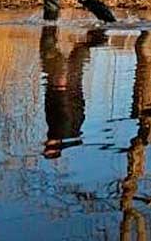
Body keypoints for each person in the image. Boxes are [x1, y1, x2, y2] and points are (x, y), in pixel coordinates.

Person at [39, 25, 108, 159]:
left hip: (71, 86)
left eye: (46, 146)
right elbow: (63, 109)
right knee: (49, 47)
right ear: (56, 145)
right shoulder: (61, 130)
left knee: (79, 51)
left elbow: (75, 110)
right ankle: (102, 30)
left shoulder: (67, 133)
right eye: (48, 146)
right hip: (64, 84)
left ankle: (101, 32)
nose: (45, 144)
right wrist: (61, 87)